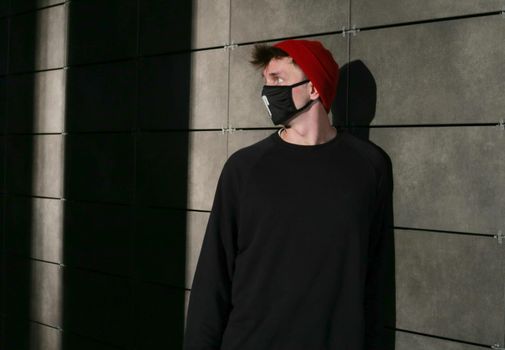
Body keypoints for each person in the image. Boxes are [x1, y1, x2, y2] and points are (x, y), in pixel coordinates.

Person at [183, 39, 395, 350]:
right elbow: (213, 277)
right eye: (266, 81)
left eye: (278, 79)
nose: (267, 92)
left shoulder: (370, 167)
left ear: (313, 88)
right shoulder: (245, 168)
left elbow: (378, 281)